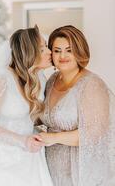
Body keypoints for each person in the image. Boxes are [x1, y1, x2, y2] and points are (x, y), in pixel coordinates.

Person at [39, 25, 115, 186]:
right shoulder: (52, 80)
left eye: (69, 50)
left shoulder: (92, 85)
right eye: (57, 50)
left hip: (81, 170)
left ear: (79, 51)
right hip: (52, 169)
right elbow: (44, 117)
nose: (62, 56)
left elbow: (95, 134)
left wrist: (53, 138)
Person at [0, 26, 53, 186]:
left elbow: (34, 118)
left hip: (31, 156)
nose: (50, 52)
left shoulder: (39, 77)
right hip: (3, 156)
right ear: (29, 53)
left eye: (46, 46)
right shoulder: (3, 79)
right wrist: (22, 140)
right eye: (42, 49)